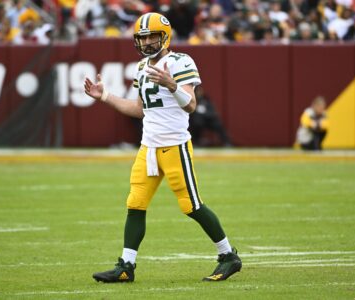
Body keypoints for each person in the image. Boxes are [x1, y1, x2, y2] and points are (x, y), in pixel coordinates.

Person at [84, 12, 242, 283]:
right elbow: (138, 109)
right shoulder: (142, 67)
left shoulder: (181, 61)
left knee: (191, 205)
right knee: (135, 203)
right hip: (149, 146)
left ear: (165, 37)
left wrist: (172, 84)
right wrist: (106, 96)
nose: (146, 43)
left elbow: (190, 105)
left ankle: (228, 256)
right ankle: (126, 266)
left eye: (151, 36)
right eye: (142, 38)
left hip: (174, 145)